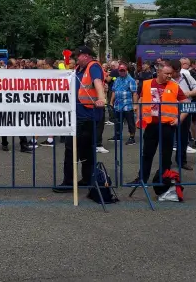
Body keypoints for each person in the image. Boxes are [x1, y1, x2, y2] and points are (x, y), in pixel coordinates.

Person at [54, 46, 106, 193]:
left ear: (87, 56)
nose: (76, 58)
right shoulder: (79, 69)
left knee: (73, 149)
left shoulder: (93, 66)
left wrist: (101, 98)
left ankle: (70, 182)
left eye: (79, 56)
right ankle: (87, 179)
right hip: (79, 115)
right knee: (84, 150)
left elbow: (98, 82)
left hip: (88, 116)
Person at [130, 62, 189, 183]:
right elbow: (142, 101)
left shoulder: (174, 86)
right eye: (167, 73)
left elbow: (186, 104)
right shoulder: (146, 84)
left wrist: (179, 119)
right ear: (159, 72)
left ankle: (164, 180)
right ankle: (142, 179)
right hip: (151, 125)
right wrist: (138, 117)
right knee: (147, 153)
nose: (169, 76)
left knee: (166, 155)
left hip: (167, 125)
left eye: (171, 74)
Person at [170, 60, 196, 170]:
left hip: (185, 108)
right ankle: (166, 161)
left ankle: (182, 161)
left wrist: (188, 93)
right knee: (169, 136)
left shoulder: (187, 77)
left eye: (177, 71)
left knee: (183, 137)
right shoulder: (167, 78)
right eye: (173, 72)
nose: (175, 74)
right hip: (170, 109)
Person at [109, 62, 138, 145]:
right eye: (120, 71)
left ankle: (132, 137)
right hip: (118, 105)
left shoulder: (131, 80)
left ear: (126, 71)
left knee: (130, 122)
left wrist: (135, 104)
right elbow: (114, 91)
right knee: (118, 121)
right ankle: (117, 135)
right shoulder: (117, 79)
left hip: (127, 105)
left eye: (123, 70)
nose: (122, 72)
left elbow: (134, 93)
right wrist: (111, 101)